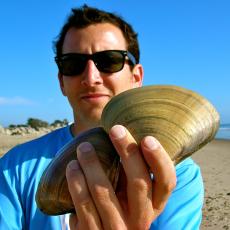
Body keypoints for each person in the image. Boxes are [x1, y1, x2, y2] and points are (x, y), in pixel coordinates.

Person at [0, 5, 204, 230]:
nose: (91, 77)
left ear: (136, 76)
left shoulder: (180, 174)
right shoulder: (14, 168)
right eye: (73, 64)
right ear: (61, 82)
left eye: (109, 60)